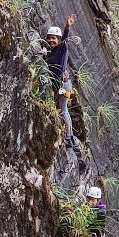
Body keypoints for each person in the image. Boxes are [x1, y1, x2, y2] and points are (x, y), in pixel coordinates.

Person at [42, 14, 83, 164]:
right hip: (62, 85)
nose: (51, 40)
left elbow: (65, 39)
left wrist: (67, 27)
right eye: (49, 38)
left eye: (54, 38)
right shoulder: (50, 52)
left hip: (63, 86)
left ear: (59, 40)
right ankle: (70, 136)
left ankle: (68, 137)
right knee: (62, 109)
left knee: (63, 109)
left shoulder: (61, 47)